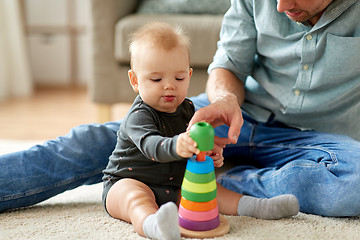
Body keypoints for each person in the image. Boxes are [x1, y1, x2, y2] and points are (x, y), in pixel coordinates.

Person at [0, 0, 359, 217]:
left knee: (353, 187)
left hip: (317, 139)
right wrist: (225, 101)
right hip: (234, 113)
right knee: (94, 141)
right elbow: (229, 65)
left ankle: (224, 179)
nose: (280, 7)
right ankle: (200, 175)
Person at [103, 22, 298, 240]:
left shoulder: (188, 110)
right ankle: (154, 226)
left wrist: (208, 152)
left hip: (175, 186)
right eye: (156, 79)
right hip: (127, 182)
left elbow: (194, 145)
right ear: (135, 81)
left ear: (189, 74)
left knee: (212, 192)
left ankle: (258, 207)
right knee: (135, 199)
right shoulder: (138, 116)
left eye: (179, 78)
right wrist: (178, 144)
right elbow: (152, 146)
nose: (169, 86)